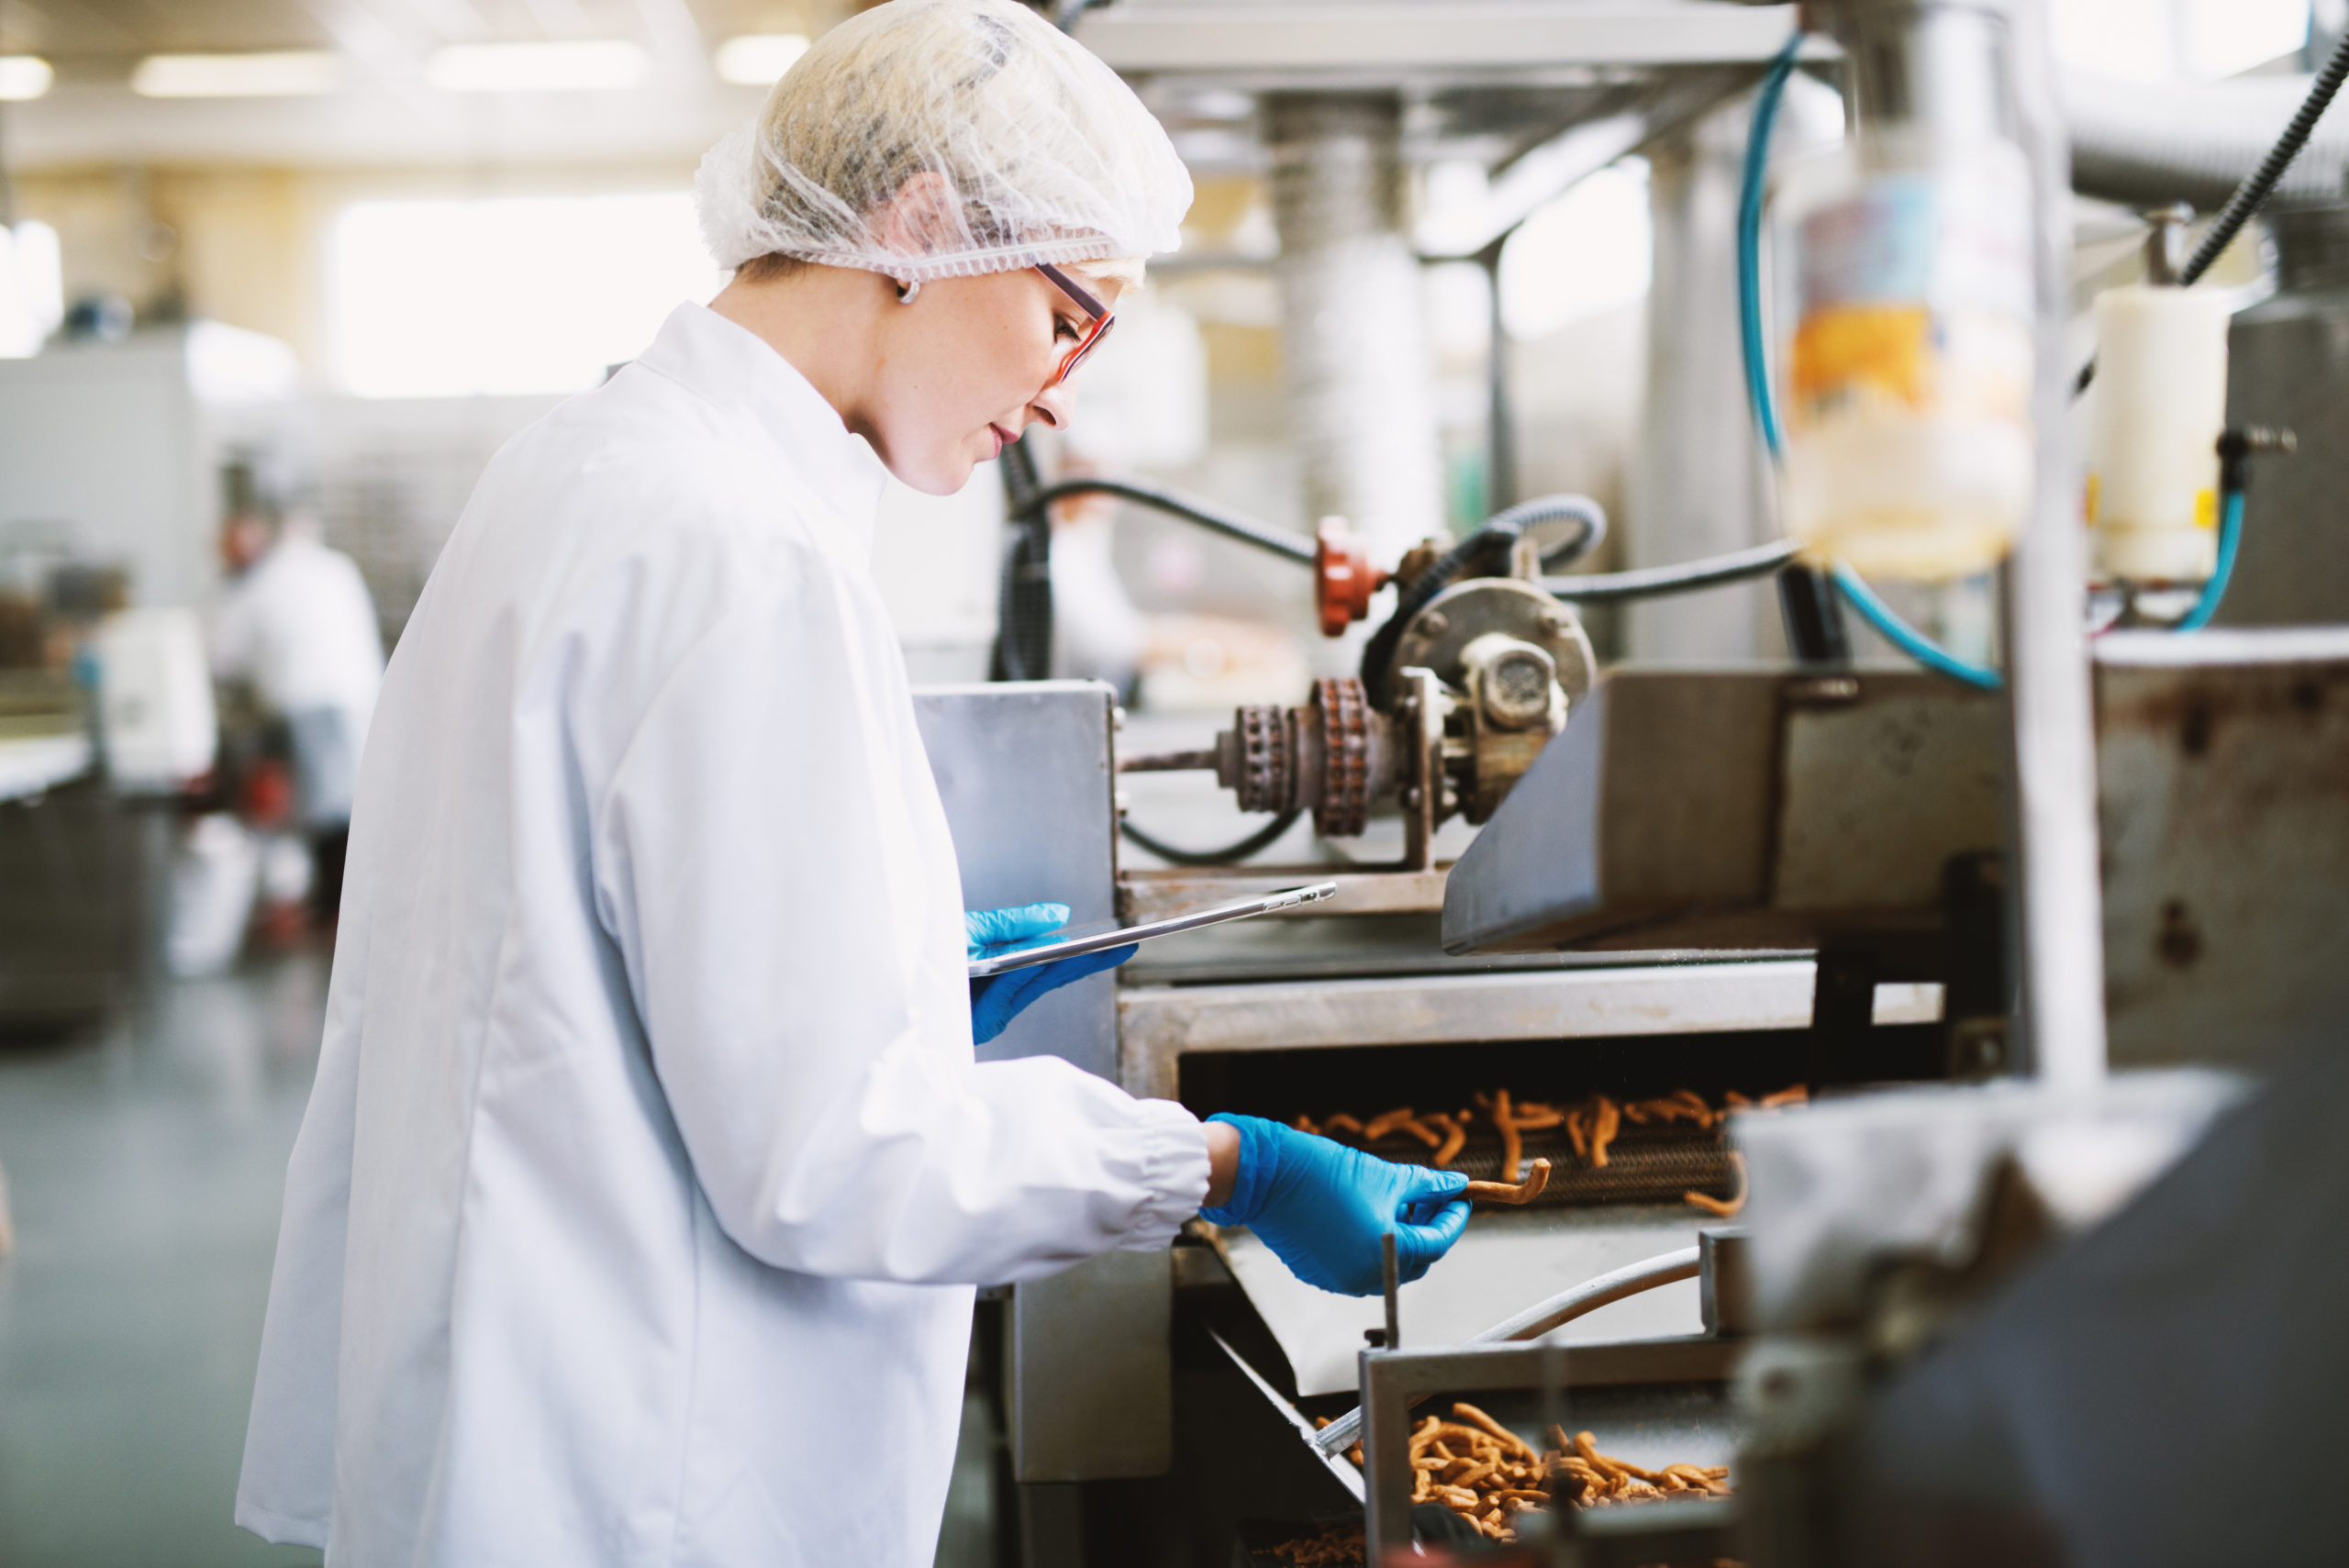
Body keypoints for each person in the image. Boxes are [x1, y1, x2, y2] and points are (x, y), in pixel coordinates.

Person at [233, 4, 1470, 1563]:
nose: (1067, 392)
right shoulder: (743, 557)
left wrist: (880, 982)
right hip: (650, 1480)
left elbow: (547, 967)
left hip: (521, 1424)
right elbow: (837, 1156)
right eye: (1069, 314)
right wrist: (1225, 1162)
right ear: (922, 224)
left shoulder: (581, 471)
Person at [210, 503, 384, 920]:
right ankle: (334, 902)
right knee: (345, 803)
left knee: (328, 810)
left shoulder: (264, 582)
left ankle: (333, 907)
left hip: (310, 700)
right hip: (355, 694)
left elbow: (225, 655)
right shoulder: (332, 568)